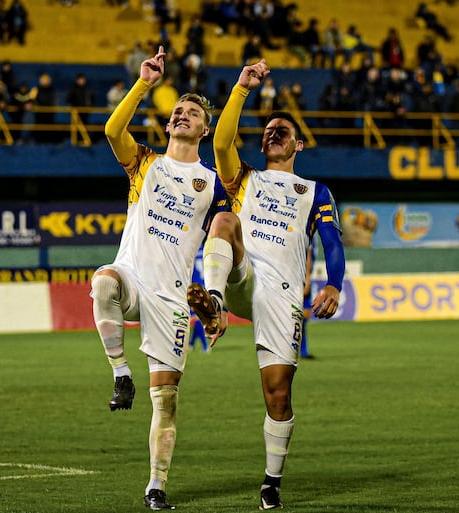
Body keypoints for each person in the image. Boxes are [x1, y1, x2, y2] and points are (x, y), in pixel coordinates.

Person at [186, 59, 346, 510]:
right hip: (243, 274)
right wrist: (241, 88)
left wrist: (334, 284)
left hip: (283, 294)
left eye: (283, 130)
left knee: (278, 394)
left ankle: (271, 483)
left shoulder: (315, 192)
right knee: (223, 218)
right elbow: (220, 140)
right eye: (269, 129)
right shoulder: (244, 179)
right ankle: (214, 303)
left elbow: (333, 242)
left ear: (299, 143)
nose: (274, 133)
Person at [91, 45, 227, 511]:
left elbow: (223, 241)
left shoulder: (213, 184)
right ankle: (120, 374)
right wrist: (145, 83)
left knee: (166, 400)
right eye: (178, 112)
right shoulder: (145, 163)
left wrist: (215, 297)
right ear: (169, 124)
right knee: (103, 282)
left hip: (170, 299)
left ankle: (156, 486)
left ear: (205, 129)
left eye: (193, 112)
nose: (183, 115)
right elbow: (112, 129)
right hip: (132, 278)